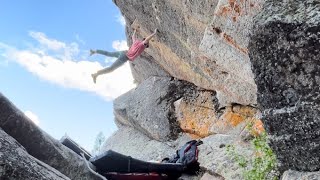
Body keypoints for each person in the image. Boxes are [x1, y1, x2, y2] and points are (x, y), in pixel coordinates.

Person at [90, 28, 158, 83]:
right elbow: (147, 39)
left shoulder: (136, 42)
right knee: (111, 69)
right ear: (145, 44)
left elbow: (133, 37)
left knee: (109, 53)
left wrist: (135, 30)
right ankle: (96, 74)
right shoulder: (142, 45)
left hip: (123, 53)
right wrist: (154, 33)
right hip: (124, 57)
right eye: (147, 45)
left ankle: (95, 51)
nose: (147, 46)